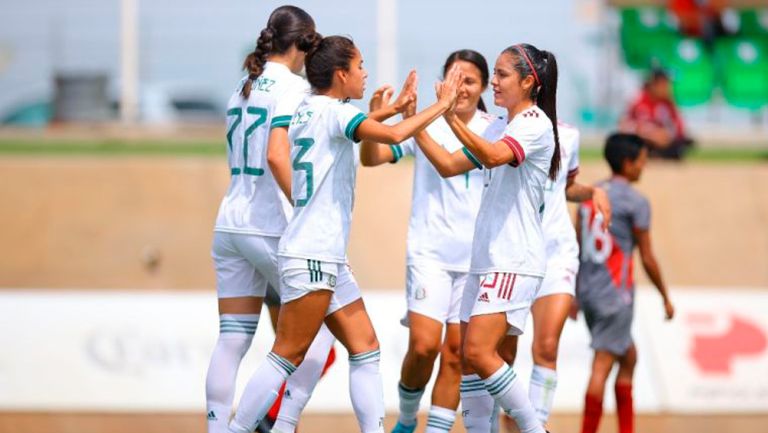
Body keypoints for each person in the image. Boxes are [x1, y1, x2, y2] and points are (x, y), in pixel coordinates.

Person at [227, 35, 463, 433]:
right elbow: (389, 137)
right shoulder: (334, 113)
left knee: (365, 348)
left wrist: (393, 109)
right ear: (341, 75)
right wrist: (440, 106)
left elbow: (367, 128)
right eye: (360, 66)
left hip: (322, 254)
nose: (365, 73)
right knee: (287, 355)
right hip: (312, 253)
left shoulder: (309, 108)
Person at [410, 42, 559, 433]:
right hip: (485, 257)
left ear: (528, 82)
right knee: (471, 360)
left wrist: (448, 115)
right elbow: (447, 165)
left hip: (514, 257)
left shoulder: (534, 122)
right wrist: (419, 121)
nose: (494, 81)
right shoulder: (498, 124)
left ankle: (533, 428)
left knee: (478, 351)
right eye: (493, 73)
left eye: (502, 74)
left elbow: (493, 156)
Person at [205, 7, 335, 433]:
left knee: (233, 340)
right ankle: (275, 422)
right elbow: (278, 155)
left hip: (230, 223)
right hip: (271, 226)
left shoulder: (239, 88)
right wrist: (305, 204)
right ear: (300, 44)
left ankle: (219, 427)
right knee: (323, 336)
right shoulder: (295, 90)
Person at [360, 49, 496, 433]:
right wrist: (376, 118)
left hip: (475, 260)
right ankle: (405, 419)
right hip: (430, 253)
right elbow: (372, 158)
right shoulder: (428, 123)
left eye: (469, 81)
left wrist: (414, 121)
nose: (461, 88)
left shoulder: (495, 129)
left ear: (484, 85)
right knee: (424, 346)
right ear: (442, 83)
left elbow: (454, 164)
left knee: (456, 354)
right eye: (454, 79)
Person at [496, 121, 612, 433]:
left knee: (546, 348)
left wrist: (592, 191)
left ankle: (536, 425)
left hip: (557, 255)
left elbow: (565, 187)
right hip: (513, 256)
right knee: (502, 353)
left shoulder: (569, 135)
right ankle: (507, 420)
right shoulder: (500, 131)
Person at [576, 133, 675, 433]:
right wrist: (665, 296)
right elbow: (646, 256)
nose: (644, 167)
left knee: (629, 356)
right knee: (602, 364)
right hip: (615, 295)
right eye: (642, 161)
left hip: (589, 291)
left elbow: (578, 244)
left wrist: (575, 293)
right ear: (628, 163)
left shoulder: (589, 194)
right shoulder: (636, 202)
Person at [619, 69, 693, 160]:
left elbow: (679, 128)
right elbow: (624, 125)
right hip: (643, 141)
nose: (668, 88)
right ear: (654, 85)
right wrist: (650, 134)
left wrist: (667, 134)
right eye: (665, 84)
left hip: (664, 143)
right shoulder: (638, 100)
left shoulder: (667, 103)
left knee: (685, 142)